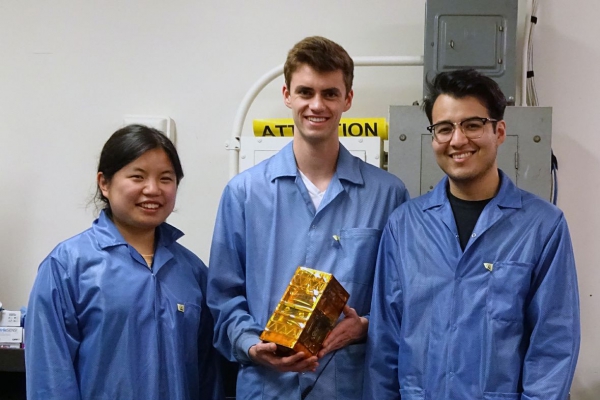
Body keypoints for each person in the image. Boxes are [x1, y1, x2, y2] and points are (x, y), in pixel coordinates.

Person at [207, 36, 409, 400]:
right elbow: (223, 296)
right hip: (266, 387)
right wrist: (252, 345)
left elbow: (402, 298)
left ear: (348, 98)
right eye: (305, 92)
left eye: (330, 93)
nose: (317, 105)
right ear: (287, 95)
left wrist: (364, 326)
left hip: (348, 387)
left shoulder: (388, 194)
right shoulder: (244, 193)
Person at [364, 69, 580, 399]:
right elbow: (385, 344)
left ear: (499, 131)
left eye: (472, 125)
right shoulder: (405, 225)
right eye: (444, 128)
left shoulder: (542, 227)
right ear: (433, 136)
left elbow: (553, 346)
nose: (457, 140)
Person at [25, 125, 223, 400]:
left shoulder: (192, 271)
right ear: (104, 183)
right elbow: (50, 377)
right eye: (137, 177)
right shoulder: (67, 266)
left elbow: (207, 375)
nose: (152, 189)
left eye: (166, 178)